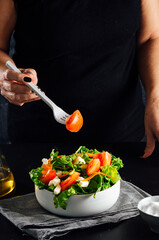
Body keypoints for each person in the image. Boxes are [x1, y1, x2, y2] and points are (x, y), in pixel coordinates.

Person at [0, 0, 159, 158]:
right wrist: (5, 76)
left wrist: (155, 95)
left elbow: (151, 36)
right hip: (38, 138)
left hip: (123, 136)